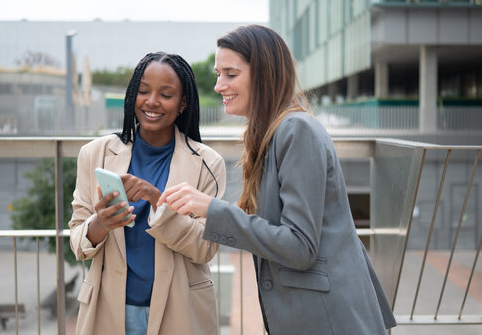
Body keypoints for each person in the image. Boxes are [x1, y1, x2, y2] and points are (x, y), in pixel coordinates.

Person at [158, 25, 397, 335]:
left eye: (230, 74)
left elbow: (299, 246)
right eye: (219, 74)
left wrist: (212, 209)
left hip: (329, 320)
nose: (219, 85)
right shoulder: (272, 133)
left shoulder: (297, 131)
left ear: (264, 74)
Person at [69, 51, 226, 335]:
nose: (152, 101)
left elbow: (205, 249)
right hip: (110, 310)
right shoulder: (95, 154)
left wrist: (157, 199)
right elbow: (78, 243)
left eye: (166, 94)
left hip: (180, 310)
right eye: (143, 91)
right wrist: (101, 223)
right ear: (132, 96)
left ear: (183, 103)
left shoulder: (207, 163)